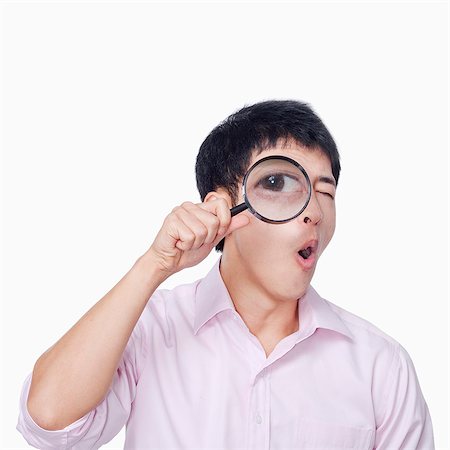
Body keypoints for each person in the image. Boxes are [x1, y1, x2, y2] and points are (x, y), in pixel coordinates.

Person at [17, 100, 434, 449]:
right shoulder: (151, 329)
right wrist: (154, 265)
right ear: (222, 209)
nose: (313, 211)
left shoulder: (382, 364)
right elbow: (49, 424)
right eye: (278, 182)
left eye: (325, 191)